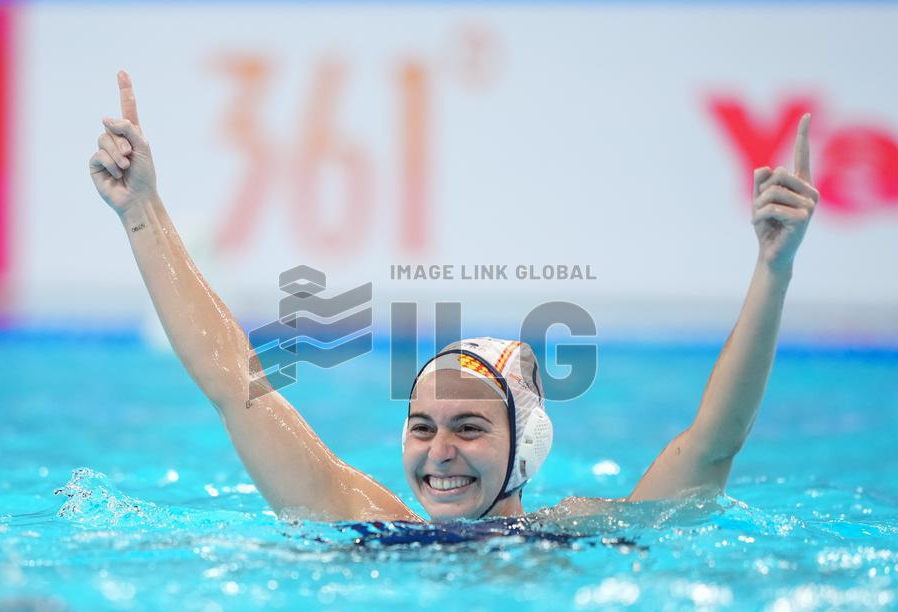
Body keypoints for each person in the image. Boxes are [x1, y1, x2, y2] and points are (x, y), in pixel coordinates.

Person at [89, 71, 819, 523]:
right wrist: (140, 210)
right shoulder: (368, 523)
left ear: (526, 445)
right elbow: (235, 382)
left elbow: (715, 442)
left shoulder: (583, 540)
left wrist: (774, 269)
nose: (440, 453)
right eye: (422, 427)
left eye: (469, 428)